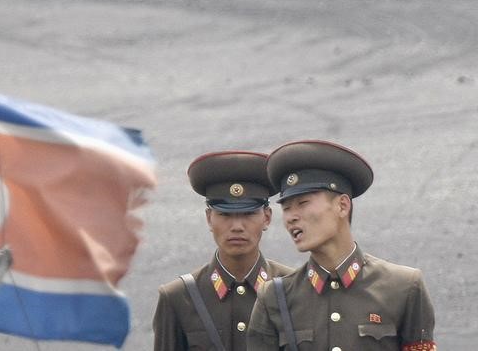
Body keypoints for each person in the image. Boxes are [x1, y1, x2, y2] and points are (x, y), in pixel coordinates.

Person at [247, 140, 436, 351]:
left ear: (342, 205)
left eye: (302, 203)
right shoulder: (274, 297)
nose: (291, 217)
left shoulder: (404, 287)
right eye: (287, 208)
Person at [153, 151, 293, 351]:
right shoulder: (178, 298)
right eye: (225, 214)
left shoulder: (293, 291)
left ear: (267, 217)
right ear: (209, 218)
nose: (237, 226)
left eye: (248, 213)